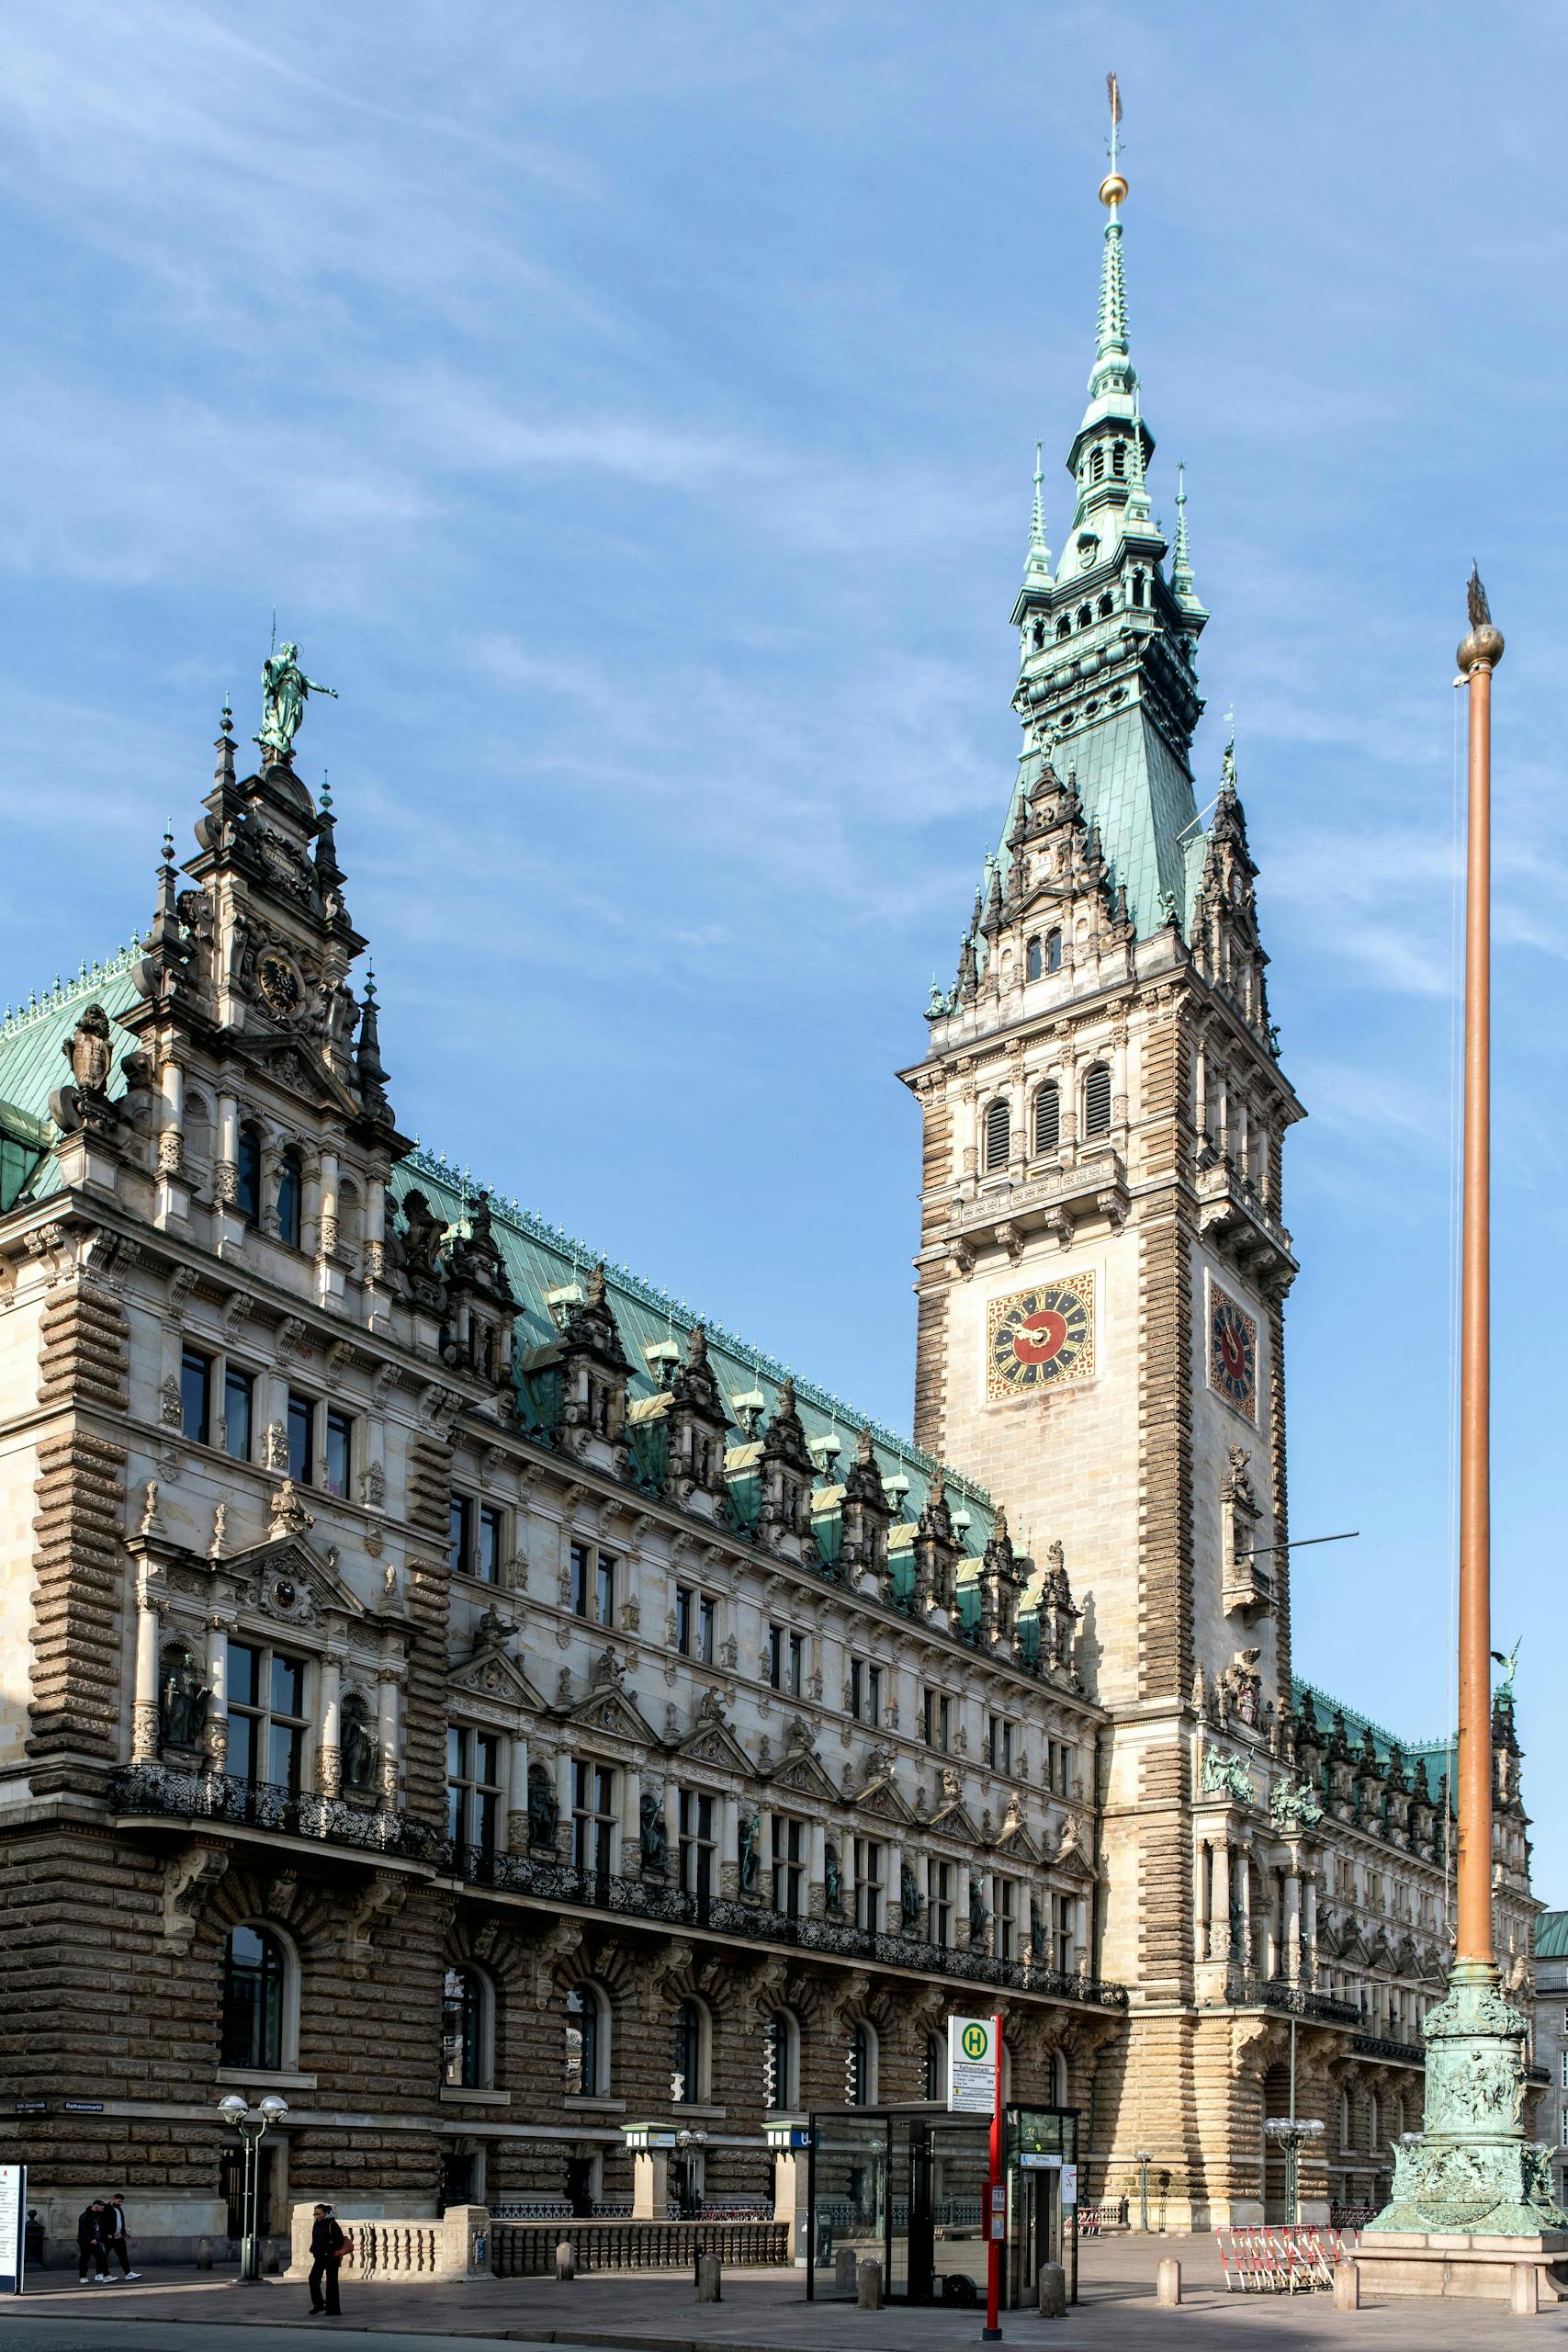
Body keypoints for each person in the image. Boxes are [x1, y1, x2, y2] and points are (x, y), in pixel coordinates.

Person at [307, 2204, 345, 2317]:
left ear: (326, 2213)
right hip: (319, 2257)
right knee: (313, 2279)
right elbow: (316, 2240)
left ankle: (333, 2309)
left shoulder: (332, 2224)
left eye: (319, 2214)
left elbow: (339, 2242)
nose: (317, 2216)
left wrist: (328, 2250)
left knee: (331, 2283)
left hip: (331, 2258)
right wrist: (314, 2250)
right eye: (315, 2214)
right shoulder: (317, 2224)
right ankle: (319, 2305)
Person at [104, 2193, 141, 2280]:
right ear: (113, 2199)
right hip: (108, 2238)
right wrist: (107, 2234)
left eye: (121, 2202)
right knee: (103, 2257)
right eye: (119, 2201)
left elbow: (121, 2222)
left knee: (123, 2256)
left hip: (119, 2238)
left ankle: (128, 2274)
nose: (120, 2203)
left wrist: (123, 2232)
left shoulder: (119, 2209)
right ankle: (105, 2275)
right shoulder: (106, 2209)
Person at [75, 2199, 109, 2283]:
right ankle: (83, 2277)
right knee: (85, 2258)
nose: (103, 2209)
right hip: (85, 2242)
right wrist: (90, 2239)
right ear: (96, 2206)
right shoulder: (85, 2216)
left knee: (101, 2257)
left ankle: (105, 2275)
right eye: (101, 2207)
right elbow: (83, 2230)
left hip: (96, 2241)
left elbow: (99, 2228)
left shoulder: (98, 2216)